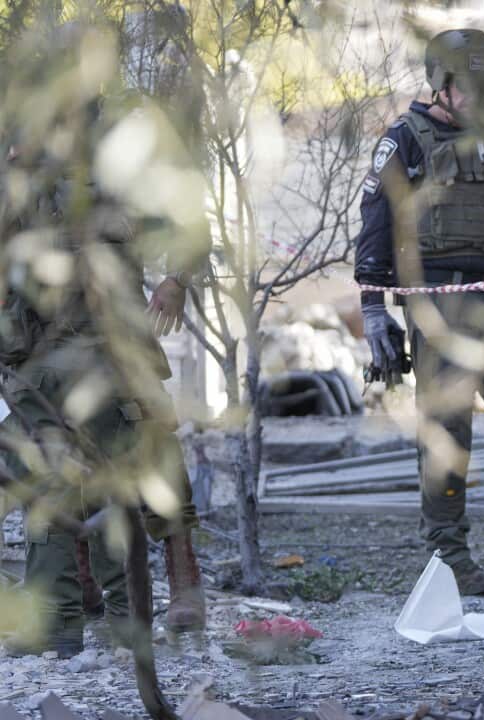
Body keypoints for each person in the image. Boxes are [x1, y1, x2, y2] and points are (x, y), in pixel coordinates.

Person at [0, 18, 209, 657]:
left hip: (114, 340)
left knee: (141, 461)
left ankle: (166, 589)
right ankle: (64, 615)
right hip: (37, 344)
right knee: (47, 468)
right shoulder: (22, 144)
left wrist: (175, 280)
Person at [354, 29, 484, 594]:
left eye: (482, 87)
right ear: (440, 85)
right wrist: (375, 314)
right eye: (463, 86)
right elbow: (374, 229)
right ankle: (450, 560)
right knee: (446, 436)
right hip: (436, 306)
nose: (475, 98)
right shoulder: (405, 141)